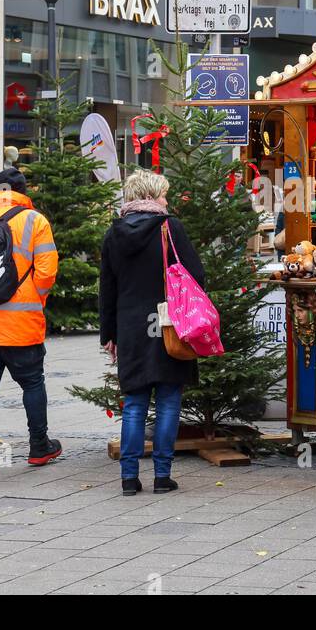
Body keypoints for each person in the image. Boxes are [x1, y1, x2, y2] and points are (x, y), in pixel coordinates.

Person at [99, 170, 205, 497]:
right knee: (169, 399)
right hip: (169, 323)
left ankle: (129, 478)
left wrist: (109, 334)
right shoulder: (169, 228)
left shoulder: (113, 234)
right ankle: (162, 475)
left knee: (134, 403)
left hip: (130, 327)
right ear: (152, 195)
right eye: (163, 194)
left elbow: (107, 288)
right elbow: (196, 274)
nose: (167, 200)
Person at [0, 168, 62, 478]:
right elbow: (46, 272)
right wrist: (36, 300)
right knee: (32, 383)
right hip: (22, 324)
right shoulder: (35, 221)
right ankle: (38, 446)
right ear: (23, 190)